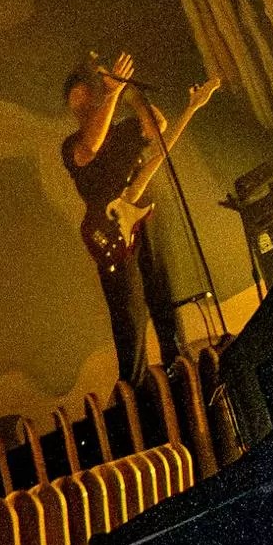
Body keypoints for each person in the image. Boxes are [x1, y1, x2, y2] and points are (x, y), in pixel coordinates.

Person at [62, 50, 205, 386]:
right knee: (129, 316)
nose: (83, 107)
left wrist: (131, 93)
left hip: (144, 218)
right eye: (77, 104)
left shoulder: (123, 130)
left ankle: (179, 369)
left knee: (162, 295)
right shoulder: (72, 145)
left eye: (87, 99)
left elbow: (157, 127)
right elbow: (91, 147)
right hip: (110, 234)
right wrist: (113, 93)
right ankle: (135, 391)